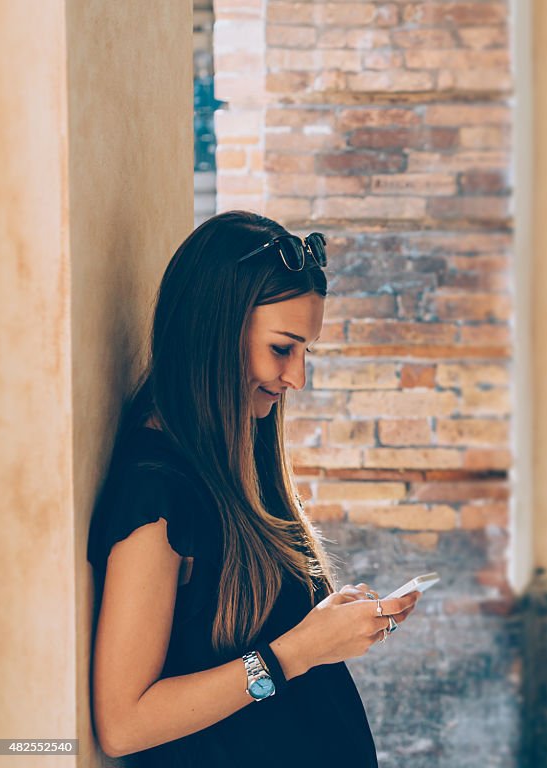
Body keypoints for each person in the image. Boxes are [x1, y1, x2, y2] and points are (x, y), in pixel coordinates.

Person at [87, 211, 420, 766]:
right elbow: (123, 724)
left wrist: (327, 628)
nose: (298, 378)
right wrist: (300, 651)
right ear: (213, 332)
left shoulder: (241, 451)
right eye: (282, 348)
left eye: (305, 352)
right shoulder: (157, 496)